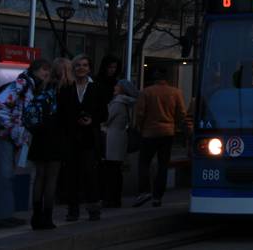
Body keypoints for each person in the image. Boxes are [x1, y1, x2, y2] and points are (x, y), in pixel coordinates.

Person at [0, 58, 51, 228]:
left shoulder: (30, 85)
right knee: (6, 175)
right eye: (44, 70)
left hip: (11, 135)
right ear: (36, 70)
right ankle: (4, 216)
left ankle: (6, 214)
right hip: (7, 135)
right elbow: (0, 103)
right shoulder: (22, 83)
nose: (46, 74)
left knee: (7, 175)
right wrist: (13, 127)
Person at [59, 55, 106, 221]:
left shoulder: (97, 88)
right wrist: (74, 120)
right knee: (71, 174)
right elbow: (62, 112)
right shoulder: (66, 89)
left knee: (90, 173)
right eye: (78, 65)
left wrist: (92, 119)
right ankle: (73, 209)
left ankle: (94, 208)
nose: (81, 68)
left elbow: (103, 112)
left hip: (89, 137)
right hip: (71, 136)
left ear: (89, 68)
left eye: (84, 65)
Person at [134, 68, 187, 207]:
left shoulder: (146, 92)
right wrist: (177, 126)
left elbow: (139, 113)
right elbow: (181, 112)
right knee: (163, 164)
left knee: (144, 162)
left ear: (154, 78)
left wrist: (139, 127)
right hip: (167, 132)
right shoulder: (176, 92)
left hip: (149, 132)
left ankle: (144, 191)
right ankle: (158, 196)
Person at [28, 58, 70, 230]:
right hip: (56, 137)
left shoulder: (43, 86)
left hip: (39, 136)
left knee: (39, 177)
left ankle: (36, 216)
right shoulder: (67, 90)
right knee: (52, 178)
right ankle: (47, 217)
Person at [101, 79, 138, 208]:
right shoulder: (128, 103)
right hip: (121, 137)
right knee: (116, 171)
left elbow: (106, 118)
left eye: (117, 85)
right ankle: (115, 198)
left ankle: (110, 199)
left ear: (122, 88)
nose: (114, 87)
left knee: (111, 171)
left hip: (112, 138)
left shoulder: (117, 102)